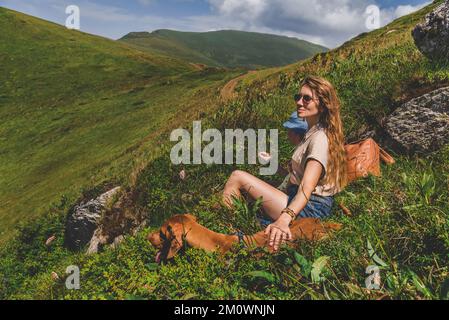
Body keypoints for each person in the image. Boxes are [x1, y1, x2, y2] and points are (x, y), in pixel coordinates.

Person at [223, 76, 347, 251]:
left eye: (307, 98)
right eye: (298, 97)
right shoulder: (314, 132)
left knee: (237, 177)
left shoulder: (320, 138)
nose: (299, 102)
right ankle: (237, 229)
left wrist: (284, 218)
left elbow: (306, 186)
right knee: (247, 194)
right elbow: (298, 177)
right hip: (303, 200)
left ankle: (226, 228)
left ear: (323, 103)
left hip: (310, 206)